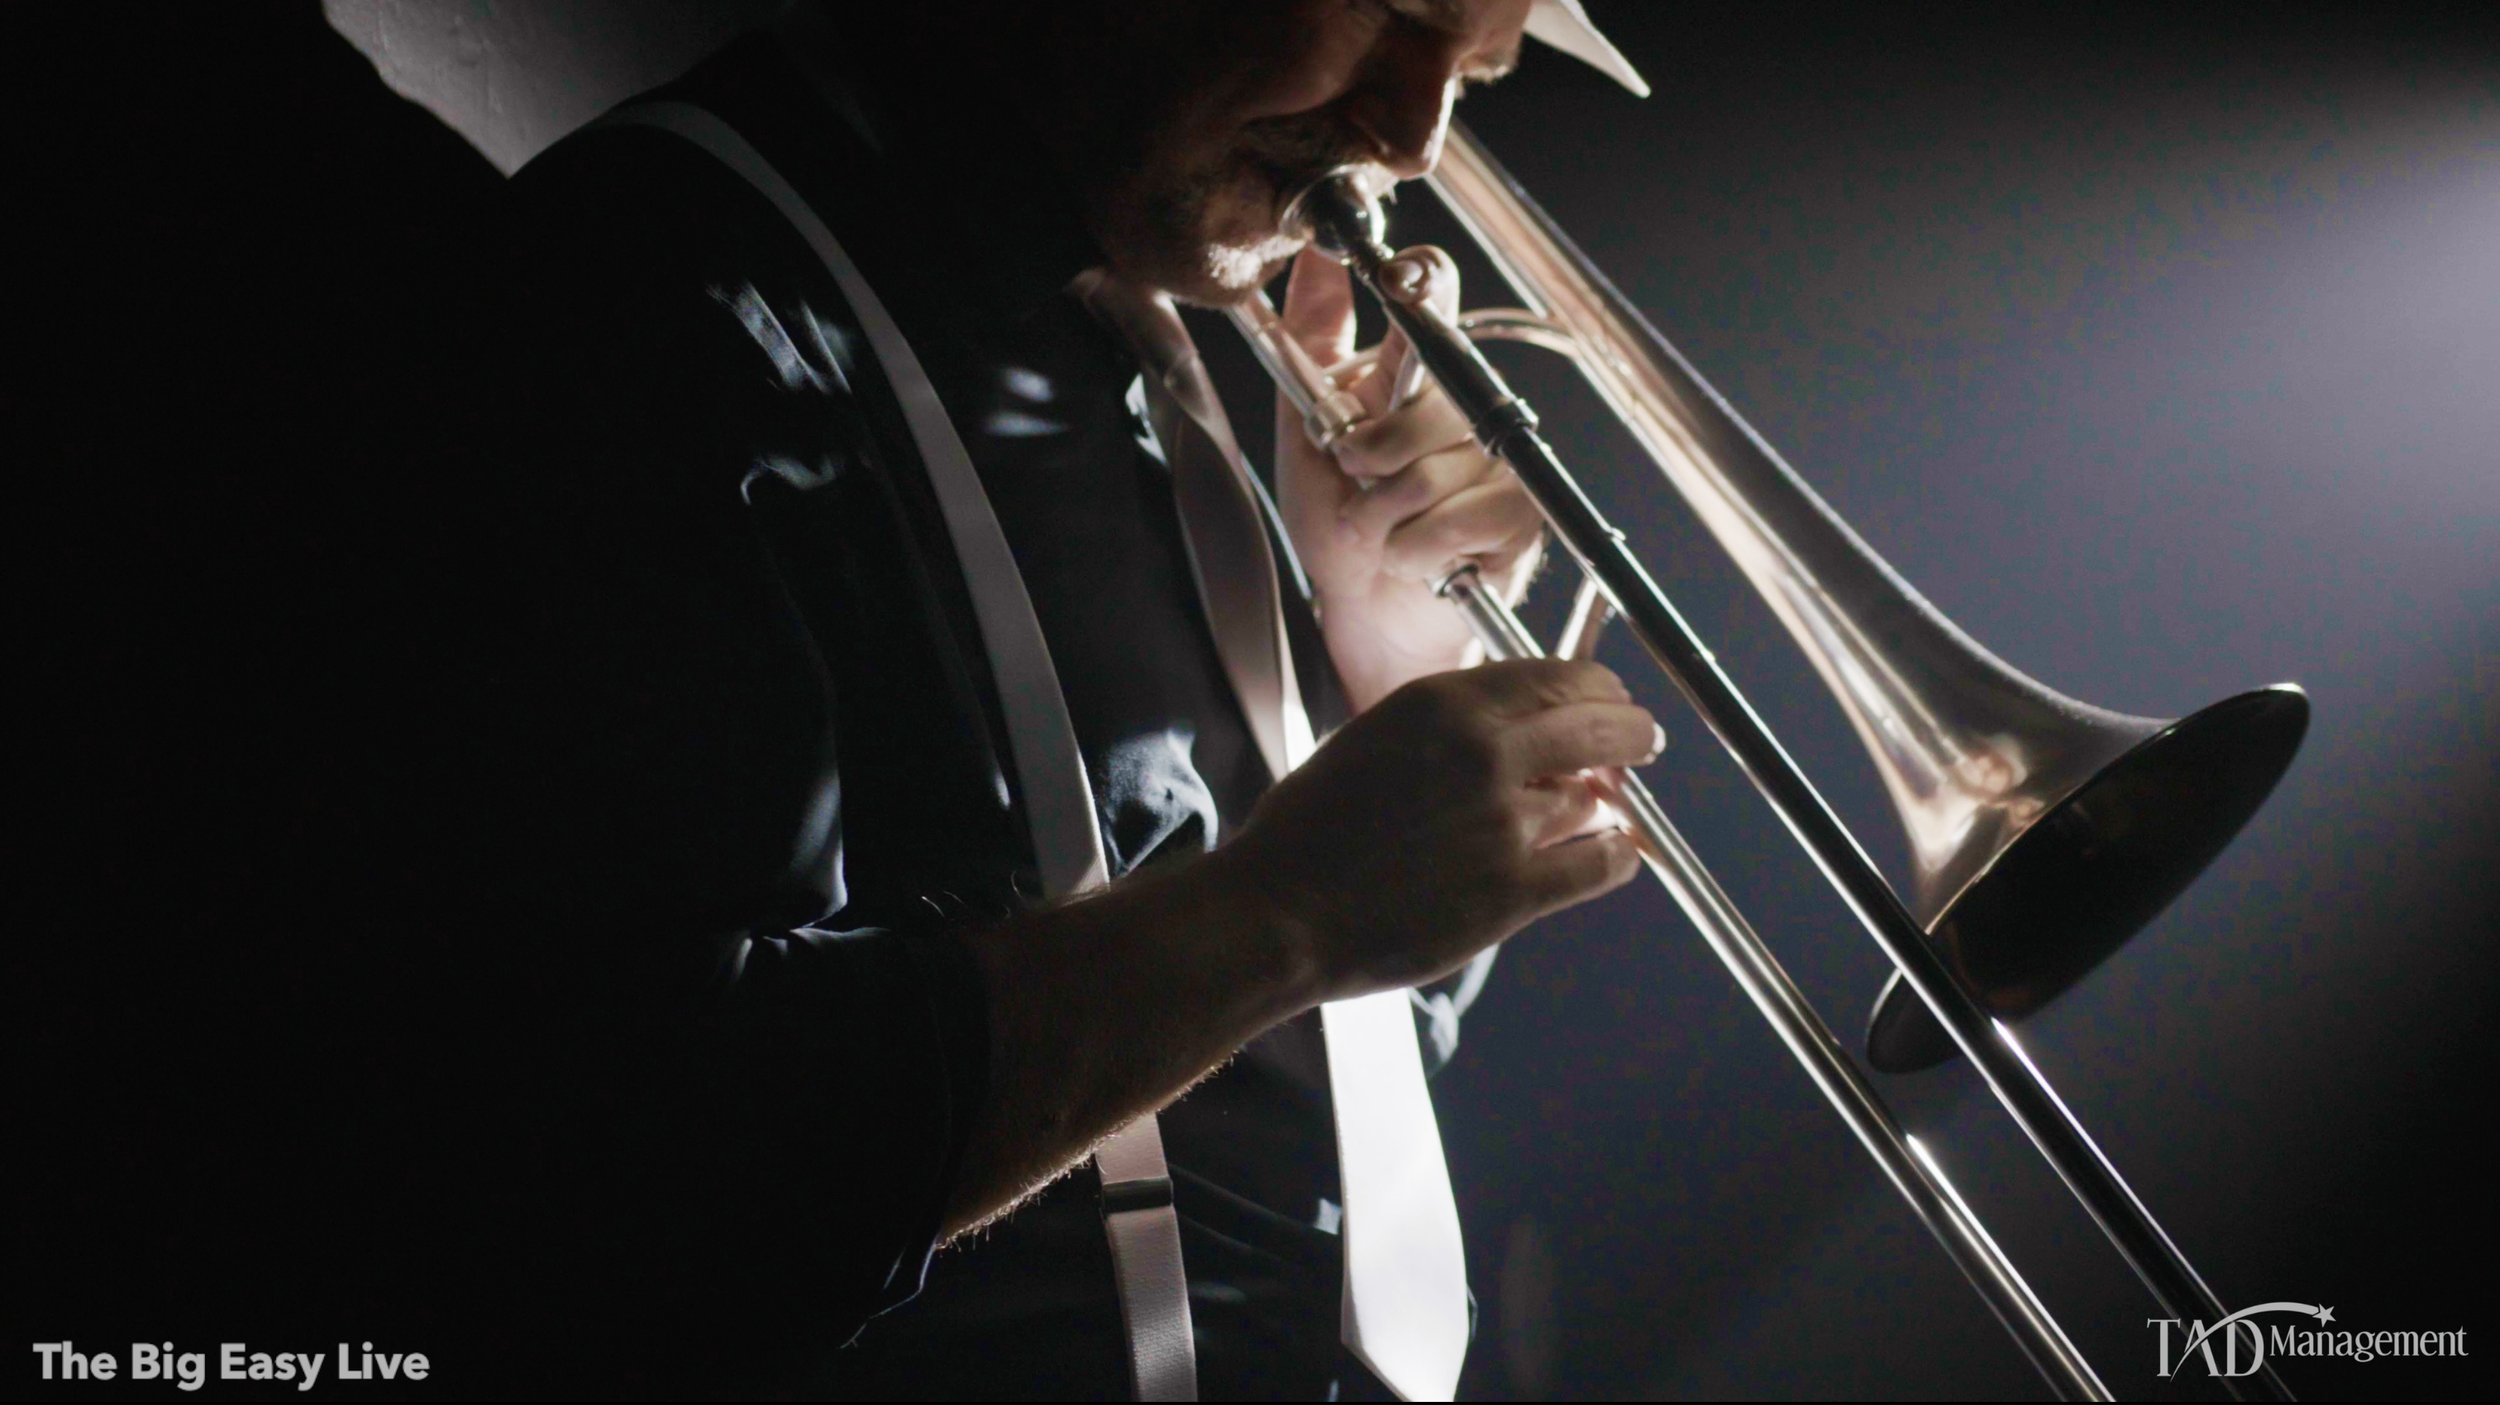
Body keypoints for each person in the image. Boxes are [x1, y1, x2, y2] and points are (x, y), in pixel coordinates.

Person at [19, 1, 1652, 1398]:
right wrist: (1281, 918)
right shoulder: (636, 302)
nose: (1416, 136)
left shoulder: (1151, 329)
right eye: (1396, 13)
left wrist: (1384, 670)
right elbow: (623, 1187)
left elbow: (1275, 1101)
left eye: (1475, 71)